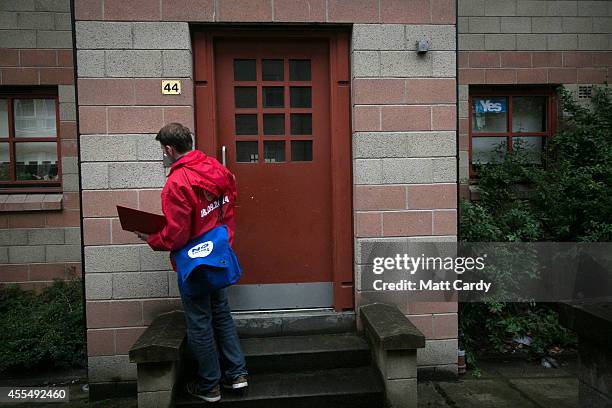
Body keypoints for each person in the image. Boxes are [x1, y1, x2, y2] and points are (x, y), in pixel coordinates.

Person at [136, 123, 248, 403]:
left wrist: (151, 237)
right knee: (221, 313)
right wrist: (224, 242)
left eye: (163, 151)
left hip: (194, 263)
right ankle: (236, 375)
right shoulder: (215, 168)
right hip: (217, 255)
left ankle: (209, 385)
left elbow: (177, 235)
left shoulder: (177, 183)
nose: (163, 155)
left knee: (199, 322)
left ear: (170, 149)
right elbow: (228, 208)